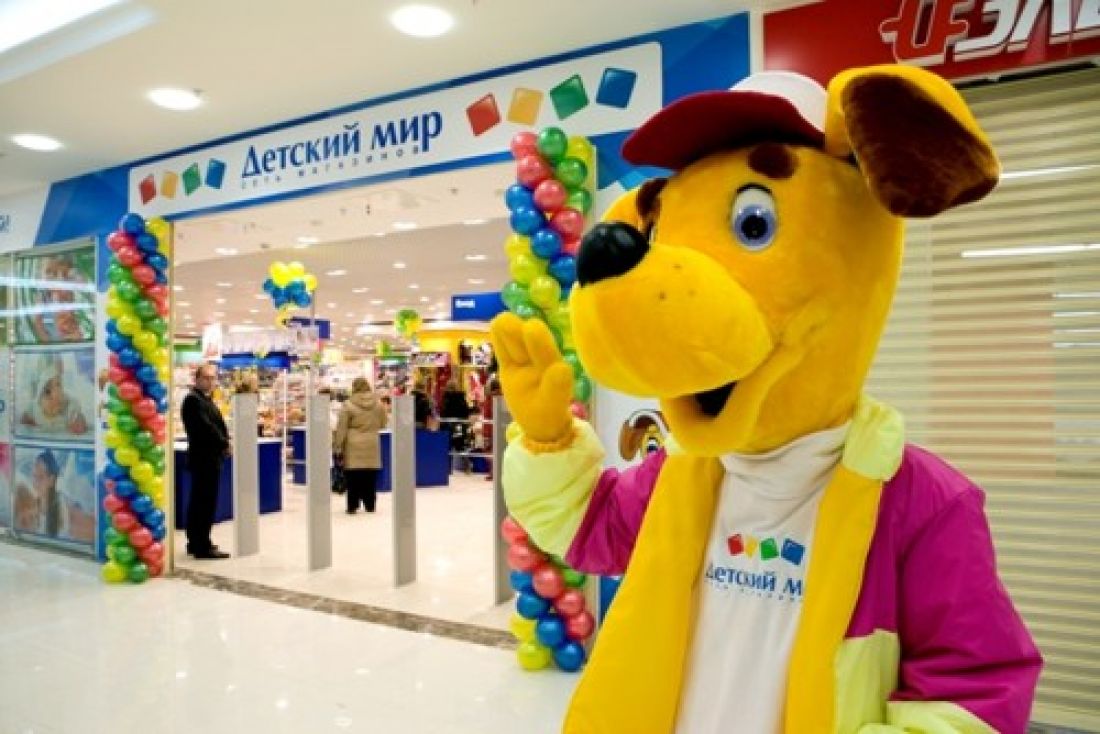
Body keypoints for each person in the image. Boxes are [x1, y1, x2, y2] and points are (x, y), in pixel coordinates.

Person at [180, 363, 230, 559]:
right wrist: (223, 443)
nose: (210, 381)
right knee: (203, 503)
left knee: (202, 502)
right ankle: (201, 545)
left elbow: (214, 425)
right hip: (204, 459)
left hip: (209, 458)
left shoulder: (204, 399)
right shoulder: (193, 401)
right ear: (197, 379)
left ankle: (198, 541)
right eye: (206, 378)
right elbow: (205, 428)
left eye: (213, 378)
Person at [333, 377, 387, 514]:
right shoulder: (378, 404)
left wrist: (337, 445)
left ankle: (353, 505)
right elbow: (383, 423)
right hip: (372, 442)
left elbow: (342, 428)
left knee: (353, 477)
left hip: (353, 444)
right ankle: (370, 505)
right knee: (370, 476)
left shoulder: (348, 405)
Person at [20, 355, 88, 436]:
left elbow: (77, 416)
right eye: (48, 392)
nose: (56, 395)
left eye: (59, 385)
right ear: (39, 399)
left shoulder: (68, 407)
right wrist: (27, 421)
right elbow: (24, 419)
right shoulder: (34, 410)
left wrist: (79, 421)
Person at [440, 377, 471, 472]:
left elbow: (443, 412)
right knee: (460, 446)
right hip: (458, 425)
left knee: (447, 446)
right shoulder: (460, 397)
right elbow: (466, 412)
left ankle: (447, 468)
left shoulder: (445, 398)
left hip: (447, 424)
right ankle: (467, 467)